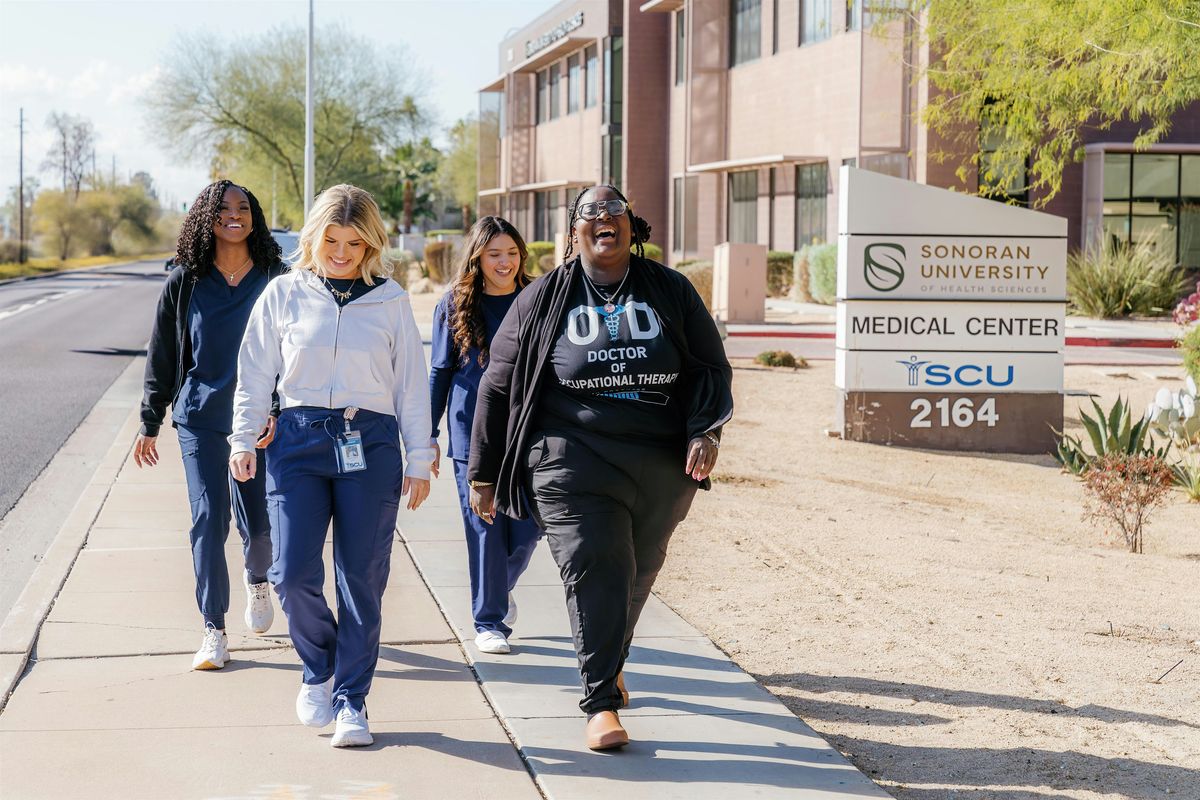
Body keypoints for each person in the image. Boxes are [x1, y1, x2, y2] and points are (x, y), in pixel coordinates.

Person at [467, 185, 733, 751]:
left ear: (632, 226)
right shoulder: (543, 297)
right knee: (595, 561)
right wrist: (483, 473)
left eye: (613, 210)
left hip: (660, 457)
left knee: (636, 572)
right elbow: (496, 384)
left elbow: (710, 366)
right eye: (590, 212)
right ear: (574, 231)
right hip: (570, 455)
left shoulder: (669, 289)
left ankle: (608, 661)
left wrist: (705, 430)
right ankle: (601, 704)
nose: (603, 219)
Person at [229, 184, 434, 748]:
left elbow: (411, 387)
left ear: (370, 245)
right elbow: (254, 373)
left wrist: (421, 457)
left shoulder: (389, 299)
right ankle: (318, 668)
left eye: (354, 242)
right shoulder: (283, 294)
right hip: (296, 442)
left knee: (361, 579)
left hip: (370, 444)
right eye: (331, 240)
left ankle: (351, 701)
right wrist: (243, 439)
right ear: (313, 237)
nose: (341, 252)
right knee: (292, 574)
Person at [135, 180, 286, 671]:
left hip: (260, 420)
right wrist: (150, 420)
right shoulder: (186, 280)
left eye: (244, 207)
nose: (234, 215)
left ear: (254, 217)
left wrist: (278, 408)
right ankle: (213, 630)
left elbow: (295, 351)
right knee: (208, 520)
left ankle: (258, 579)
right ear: (207, 217)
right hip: (201, 418)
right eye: (223, 209)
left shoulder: (275, 277)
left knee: (259, 528)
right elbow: (162, 353)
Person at [429, 217, 542, 656]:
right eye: (495, 254)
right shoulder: (454, 305)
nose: (505, 262)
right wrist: (427, 435)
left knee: (530, 527)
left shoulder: (535, 300)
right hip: (469, 433)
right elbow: (440, 372)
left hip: (526, 432)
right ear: (477, 257)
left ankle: (497, 587)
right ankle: (489, 620)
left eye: (512, 253)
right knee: (485, 525)